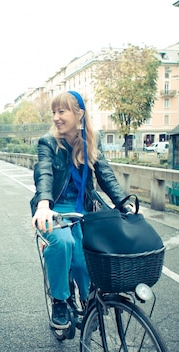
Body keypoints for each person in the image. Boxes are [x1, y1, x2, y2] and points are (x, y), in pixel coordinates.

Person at [30, 91, 133, 329]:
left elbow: (105, 176)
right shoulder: (48, 142)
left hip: (84, 210)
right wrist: (44, 204)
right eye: (53, 112)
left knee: (85, 258)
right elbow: (43, 173)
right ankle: (59, 299)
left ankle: (87, 300)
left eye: (61, 111)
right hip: (54, 209)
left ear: (79, 114)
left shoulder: (91, 140)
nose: (56, 117)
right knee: (62, 243)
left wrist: (124, 205)